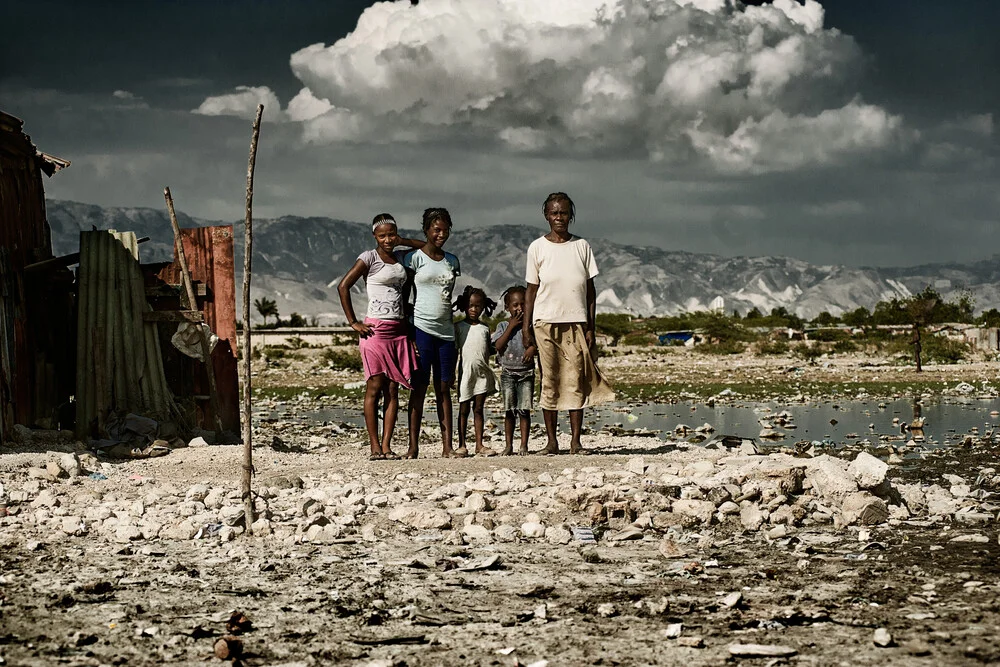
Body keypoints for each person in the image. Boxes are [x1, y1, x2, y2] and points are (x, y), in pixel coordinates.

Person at [522, 192, 615, 455]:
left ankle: (575, 442)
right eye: (554, 213)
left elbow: (590, 290)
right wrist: (526, 328)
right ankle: (552, 442)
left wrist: (590, 327)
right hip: (545, 322)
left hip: (576, 322)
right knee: (549, 379)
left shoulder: (581, 246)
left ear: (570, 215)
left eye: (563, 213)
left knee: (576, 379)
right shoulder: (537, 247)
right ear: (546, 215)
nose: (559, 218)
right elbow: (531, 290)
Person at [337, 213, 423, 460]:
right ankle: (374, 447)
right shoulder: (369, 258)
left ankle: (387, 446)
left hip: (398, 330)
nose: (387, 239)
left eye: (391, 234)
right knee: (375, 386)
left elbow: (425, 247)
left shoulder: (400, 257)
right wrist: (353, 322)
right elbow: (343, 286)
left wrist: (402, 240)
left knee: (393, 389)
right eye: (382, 235)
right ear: (374, 236)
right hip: (375, 330)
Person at [403, 207, 462, 459]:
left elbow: (446, 295)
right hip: (421, 329)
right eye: (436, 229)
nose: (441, 234)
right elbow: (404, 297)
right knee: (418, 387)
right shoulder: (413, 259)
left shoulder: (452, 261)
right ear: (426, 230)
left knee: (444, 388)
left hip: (446, 333)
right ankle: (413, 447)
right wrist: (409, 333)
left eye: (445, 229)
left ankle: (447, 446)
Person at [453, 286, 499, 456]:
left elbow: (488, 350)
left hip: (482, 374)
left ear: (483, 307)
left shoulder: (485, 329)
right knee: (464, 409)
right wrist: (451, 374)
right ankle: (462, 444)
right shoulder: (458, 327)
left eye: (478, 306)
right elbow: (454, 351)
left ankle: (479, 444)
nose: (474, 309)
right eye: (470, 305)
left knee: (478, 408)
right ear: (464, 306)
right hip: (465, 373)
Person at [492, 285, 536, 456]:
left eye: (523, 304)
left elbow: (537, 344)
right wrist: (511, 326)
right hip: (508, 373)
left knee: (524, 410)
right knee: (509, 410)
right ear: (507, 308)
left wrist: (532, 349)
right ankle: (508, 445)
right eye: (515, 305)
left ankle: (524, 445)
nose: (519, 308)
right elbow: (498, 345)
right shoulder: (503, 325)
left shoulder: (531, 325)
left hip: (527, 373)